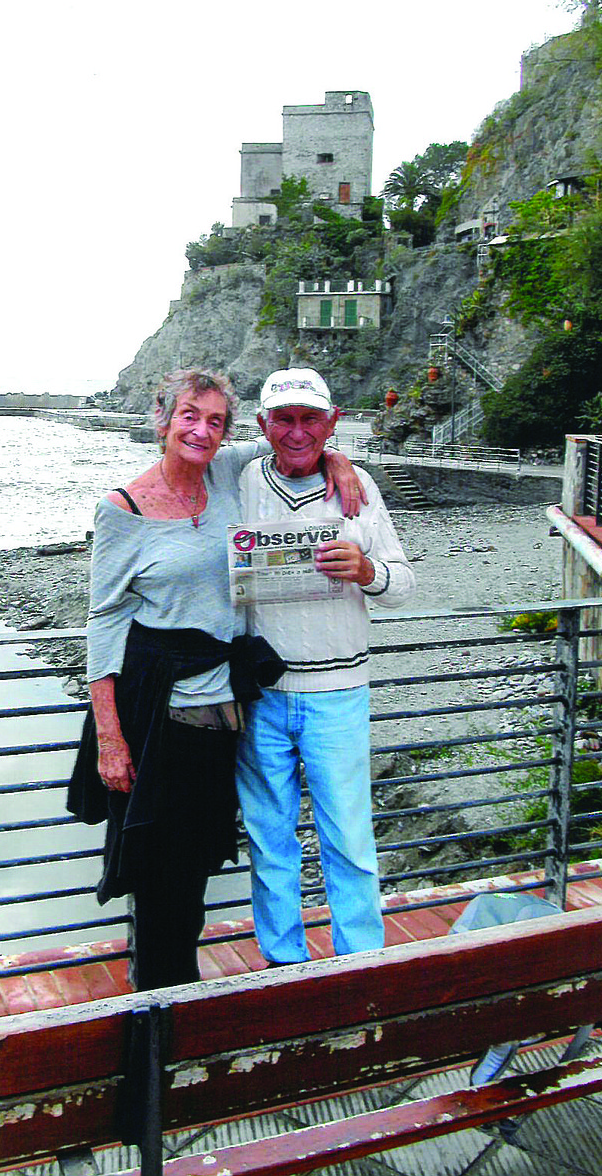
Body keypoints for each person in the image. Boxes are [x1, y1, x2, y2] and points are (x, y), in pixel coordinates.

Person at [67, 368, 363, 990]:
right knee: (158, 871)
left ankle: (177, 996)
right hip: (156, 710)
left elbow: (293, 438)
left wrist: (337, 460)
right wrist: (110, 739)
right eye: (188, 416)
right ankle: (160, 1011)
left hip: (222, 710)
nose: (201, 431)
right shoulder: (122, 509)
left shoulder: (225, 473)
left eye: (215, 421)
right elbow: (102, 622)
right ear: (162, 419)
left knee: (199, 858)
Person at [236, 368, 416, 965]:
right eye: (283, 418)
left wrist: (368, 571)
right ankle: (282, 964)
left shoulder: (358, 485)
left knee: (350, 839)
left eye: (310, 418)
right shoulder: (239, 480)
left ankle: (359, 965)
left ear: (332, 422)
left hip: (339, 692)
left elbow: (404, 584)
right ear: (261, 424)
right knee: (269, 839)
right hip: (261, 695)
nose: (296, 431)